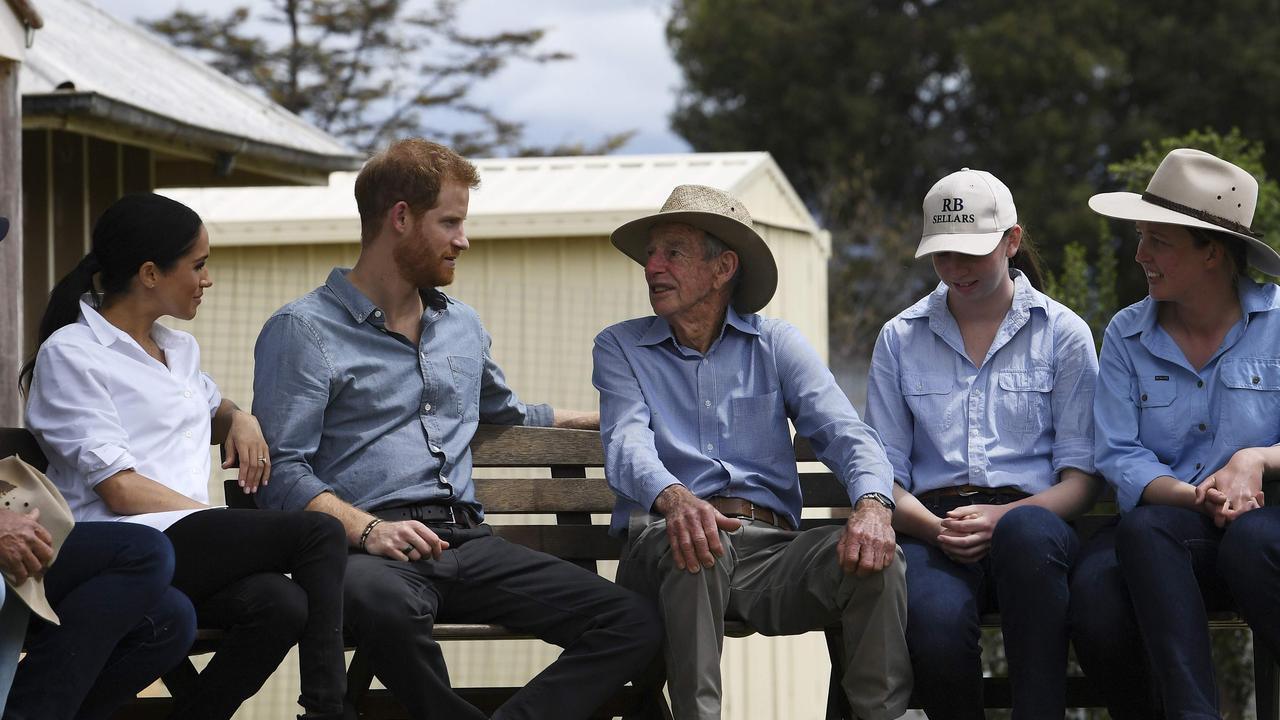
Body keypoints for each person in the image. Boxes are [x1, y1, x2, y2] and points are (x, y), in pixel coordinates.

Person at [251, 137, 661, 720]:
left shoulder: (460, 325)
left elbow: (507, 413)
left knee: (633, 622)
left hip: (468, 543)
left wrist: (611, 418)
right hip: (368, 553)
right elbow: (281, 471)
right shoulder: (302, 331)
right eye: (450, 222)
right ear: (400, 218)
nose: (463, 240)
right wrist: (368, 530)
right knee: (384, 607)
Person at [21, 193, 349, 720]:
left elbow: (204, 406)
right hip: (119, 547)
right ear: (150, 273)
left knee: (280, 605)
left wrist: (241, 417)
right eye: (198, 266)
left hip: (185, 548)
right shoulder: (73, 353)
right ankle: (329, 708)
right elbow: (120, 489)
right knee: (319, 532)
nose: (207, 278)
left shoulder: (177, 350)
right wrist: (214, 520)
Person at [594, 184, 912, 720]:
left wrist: (875, 506)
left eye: (672, 251)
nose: (652, 266)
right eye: (651, 253)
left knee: (875, 561)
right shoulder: (620, 345)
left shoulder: (777, 343)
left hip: (769, 553)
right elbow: (625, 443)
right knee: (697, 541)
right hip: (667, 546)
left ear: (723, 269)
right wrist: (676, 498)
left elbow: (845, 432)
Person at [863, 169, 1100, 718]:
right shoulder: (899, 338)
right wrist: (936, 528)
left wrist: (1005, 517)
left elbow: (1083, 479)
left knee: (1025, 534)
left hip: (1035, 524)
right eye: (942, 254)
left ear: (1011, 241)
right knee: (936, 626)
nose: (955, 269)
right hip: (933, 524)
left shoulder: (1063, 333)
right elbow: (882, 477)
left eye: (971, 252)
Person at [1070, 148, 1280, 718]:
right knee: (1096, 590)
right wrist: (1193, 495)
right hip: (1163, 519)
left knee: (1252, 543)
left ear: (1212, 252)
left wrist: (1257, 459)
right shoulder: (1125, 334)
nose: (1140, 255)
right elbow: (1117, 452)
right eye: (1141, 238)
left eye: (1157, 241)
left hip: (1259, 521)